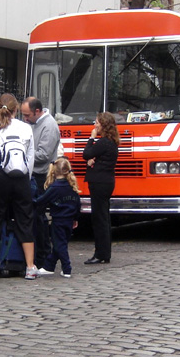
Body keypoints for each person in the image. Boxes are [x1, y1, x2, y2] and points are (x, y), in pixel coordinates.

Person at [0, 93, 39, 281]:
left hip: (0, 179)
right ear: (16, 110)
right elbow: (30, 158)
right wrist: (26, 179)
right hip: (21, 179)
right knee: (25, 220)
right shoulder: (26, 128)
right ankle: (30, 266)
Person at [21, 96, 60, 268]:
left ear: (37, 111)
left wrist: (22, 155)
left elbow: (44, 155)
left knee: (39, 215)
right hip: (31, 173)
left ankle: (43, 254)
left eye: (28, 115)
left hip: (41, 175)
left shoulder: (49, 125)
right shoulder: (33, 123)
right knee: (34, 215)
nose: (25, 119)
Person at [82, 112, 119, 265]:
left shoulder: (103, 142)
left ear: (103, 125)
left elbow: (86, 153)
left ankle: (101, 253)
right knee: (103, 218)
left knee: (99, 219)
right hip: (106, 182)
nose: (94, 126)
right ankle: (104, 252)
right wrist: (92, 161)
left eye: (97, 123)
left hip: (99, 183)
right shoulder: (111, 142)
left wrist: (91, 137)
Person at [35, 157, 80, 278]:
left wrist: (29, 200)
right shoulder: (72, 186)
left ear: (54, 171)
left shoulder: (54, 188)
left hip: (58, 220)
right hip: (69, 219)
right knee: (61, 243)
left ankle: (67, 268)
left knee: (59, 245)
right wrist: (76, 218)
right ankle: (49, 266)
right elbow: (77, 204)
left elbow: (41, 200)